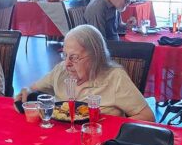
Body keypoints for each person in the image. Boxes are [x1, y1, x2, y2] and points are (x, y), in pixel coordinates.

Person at [17, 25, 155, 121]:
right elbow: (33, 88)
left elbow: (148, 117)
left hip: (96, 144)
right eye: (64, 55)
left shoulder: (114, 78)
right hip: (60, 141)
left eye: (74, 57)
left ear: (95, 56)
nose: (67, 63)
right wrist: (27, 91)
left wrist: (106, 126)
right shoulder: (61, 70)